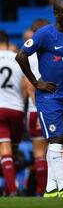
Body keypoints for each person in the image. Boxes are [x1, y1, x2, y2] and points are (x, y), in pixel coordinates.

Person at [15, 0, 63, 198]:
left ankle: (50, 189)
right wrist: (36, 83)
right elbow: (21, 56)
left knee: (59, 142)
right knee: (55, 139)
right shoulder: (44, 34)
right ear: (56, 14)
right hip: (48, 98)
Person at [24, 18, 51, 196]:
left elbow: (28, 87)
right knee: (55, 152)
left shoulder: (29, 56)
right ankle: (53, 189)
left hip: (35, 110)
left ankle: (43, 192)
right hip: (51, 109)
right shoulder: (53, 53)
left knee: (40, 154)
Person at [0, 31, 25, 196]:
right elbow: (26, 86)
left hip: (0, 108)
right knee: (14, 148)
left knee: (5, 148)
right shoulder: (18, 58)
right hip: (17, 108)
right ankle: (10, 189)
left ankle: (13, 190)